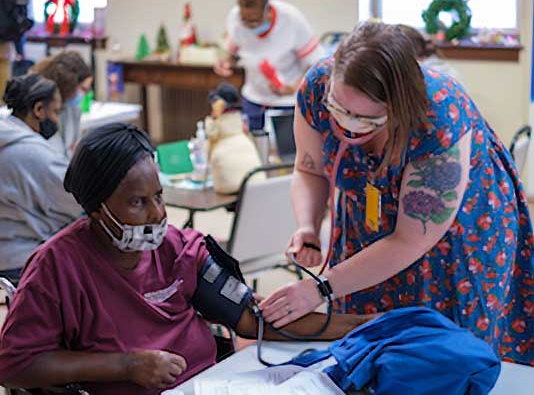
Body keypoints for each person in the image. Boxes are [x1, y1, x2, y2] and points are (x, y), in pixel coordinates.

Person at [0, 123, 371, 394]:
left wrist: (365, 325)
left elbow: (251, 320)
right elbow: (13, 365)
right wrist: (127, 366)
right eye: (137, 202)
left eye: (158, 196)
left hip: (211, 384)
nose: (158, 214)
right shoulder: (57, 267)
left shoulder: (177, 248)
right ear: (97, 208)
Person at [259, 22, 534, 365]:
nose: (346, 125)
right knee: (365, 343)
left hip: (454, 236)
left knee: (440, 353)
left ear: (397, 106)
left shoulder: (439, 119)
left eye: (364, 118)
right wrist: (308, 227)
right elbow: (309, 169)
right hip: (368, 221)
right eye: (338, 109)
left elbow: (409, 240)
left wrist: (321, 289)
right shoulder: (316, 87)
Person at [0, 74, 81, 283]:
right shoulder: (32, 153)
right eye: (55, 112)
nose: (56, 119)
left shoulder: (6, 133)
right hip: (21, 260)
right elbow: (77, 198)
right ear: (38, 110)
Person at [215, 0, 324, 131]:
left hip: (287, 104)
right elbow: (233, 53)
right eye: (245, 20)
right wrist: (226, 63)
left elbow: (314, 65)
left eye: (254, 21)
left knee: (285, 151)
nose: (249, 25)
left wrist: (292, 88)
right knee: (253, 148)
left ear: (267, 10)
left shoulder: (292, 20)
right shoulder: (235, 19)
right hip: (253, 100)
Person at [32, 51, 93, 158]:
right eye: (83, 89)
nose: (84, 95)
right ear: (67, 86)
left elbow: (72, 146)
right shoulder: (41, 112)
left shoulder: (73, 108)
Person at [205, 82, 263, 194]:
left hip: (229, 187)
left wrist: (213, 117)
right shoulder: (240, 121)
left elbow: (211, 133)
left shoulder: (217, 123)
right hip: (256, 183)